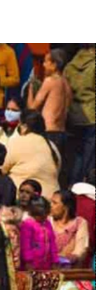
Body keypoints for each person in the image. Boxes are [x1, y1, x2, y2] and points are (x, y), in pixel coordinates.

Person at [3, 111, 62, 198]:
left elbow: (3, 169)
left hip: (25, 199)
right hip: (51, 198)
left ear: (24, 127)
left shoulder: (17, 142)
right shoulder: (52, 146)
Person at [64, 44, 95, 185]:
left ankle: (71, 184)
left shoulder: (71, 64)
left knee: (75, 155)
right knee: (89, 157)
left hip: (72, 115)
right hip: (91, 116)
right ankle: (83, 185)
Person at [51, 189, 91, 266]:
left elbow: (81, 249)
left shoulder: (80, 223)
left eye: (54, 203)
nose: (50, 206)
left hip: (71, 269)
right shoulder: (47, 222)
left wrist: (74, 256)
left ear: (66, 207)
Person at [20, 197, 58, 271]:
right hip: (32, 264)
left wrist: (55, 260)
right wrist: (28, 261)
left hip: (47, 263)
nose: (45, 217)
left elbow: (52, 242)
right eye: (41, 215)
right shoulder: (28, 224)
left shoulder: (47, 223)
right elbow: (25, 245)